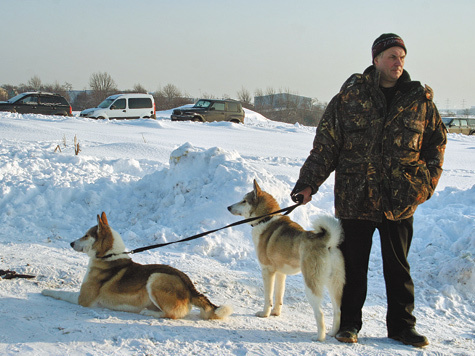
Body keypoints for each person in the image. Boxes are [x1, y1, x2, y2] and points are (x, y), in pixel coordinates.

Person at [291, 33, 446, 348]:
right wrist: (308, 182)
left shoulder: (419, 100)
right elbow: (326, 145)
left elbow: (436, 144)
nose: (397, 62)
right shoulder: (351, 97)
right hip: (355, 197)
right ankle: (349, 324)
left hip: (400, 200)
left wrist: (425, 183)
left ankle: (402, 327)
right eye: (391, 56)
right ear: (376, 60)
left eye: (401, 56)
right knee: (352, 267)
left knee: (398, 268)